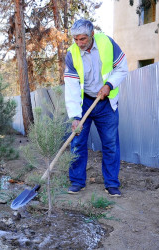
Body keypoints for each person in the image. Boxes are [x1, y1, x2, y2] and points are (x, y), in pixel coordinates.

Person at [63, 19, 128, 196]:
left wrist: (109, 85)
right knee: (77, 142)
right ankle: (77, 181)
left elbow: (122, 68)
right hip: (85, 103)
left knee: (110, 143)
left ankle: (112, 183)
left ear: (92, 34)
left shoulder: (107, 43)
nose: (79, 43)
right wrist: (76, 116)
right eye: (76, 39)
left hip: (105, 103)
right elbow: (71, 87)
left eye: (83, 39)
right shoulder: (72, 54)